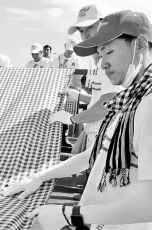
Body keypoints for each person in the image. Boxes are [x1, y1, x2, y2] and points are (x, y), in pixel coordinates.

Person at [3, 10, 152, 230]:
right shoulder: (131, 97)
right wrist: (41, 177)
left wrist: (70, 213)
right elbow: (97, 153)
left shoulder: (147, 103)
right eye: (100, 54)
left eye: (110, 51)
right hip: (93, 229)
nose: (102, 63)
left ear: (141, 45)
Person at [49, 4, 123, 149]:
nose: (85, 34)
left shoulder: (108, 60)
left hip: (104, 135)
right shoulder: (99, 59)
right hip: (98, 132)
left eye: (90, 27)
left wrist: (72, 118)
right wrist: (78, 96)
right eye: (82, 30)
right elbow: (101, 98)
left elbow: (108, 105)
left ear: (103, 24)